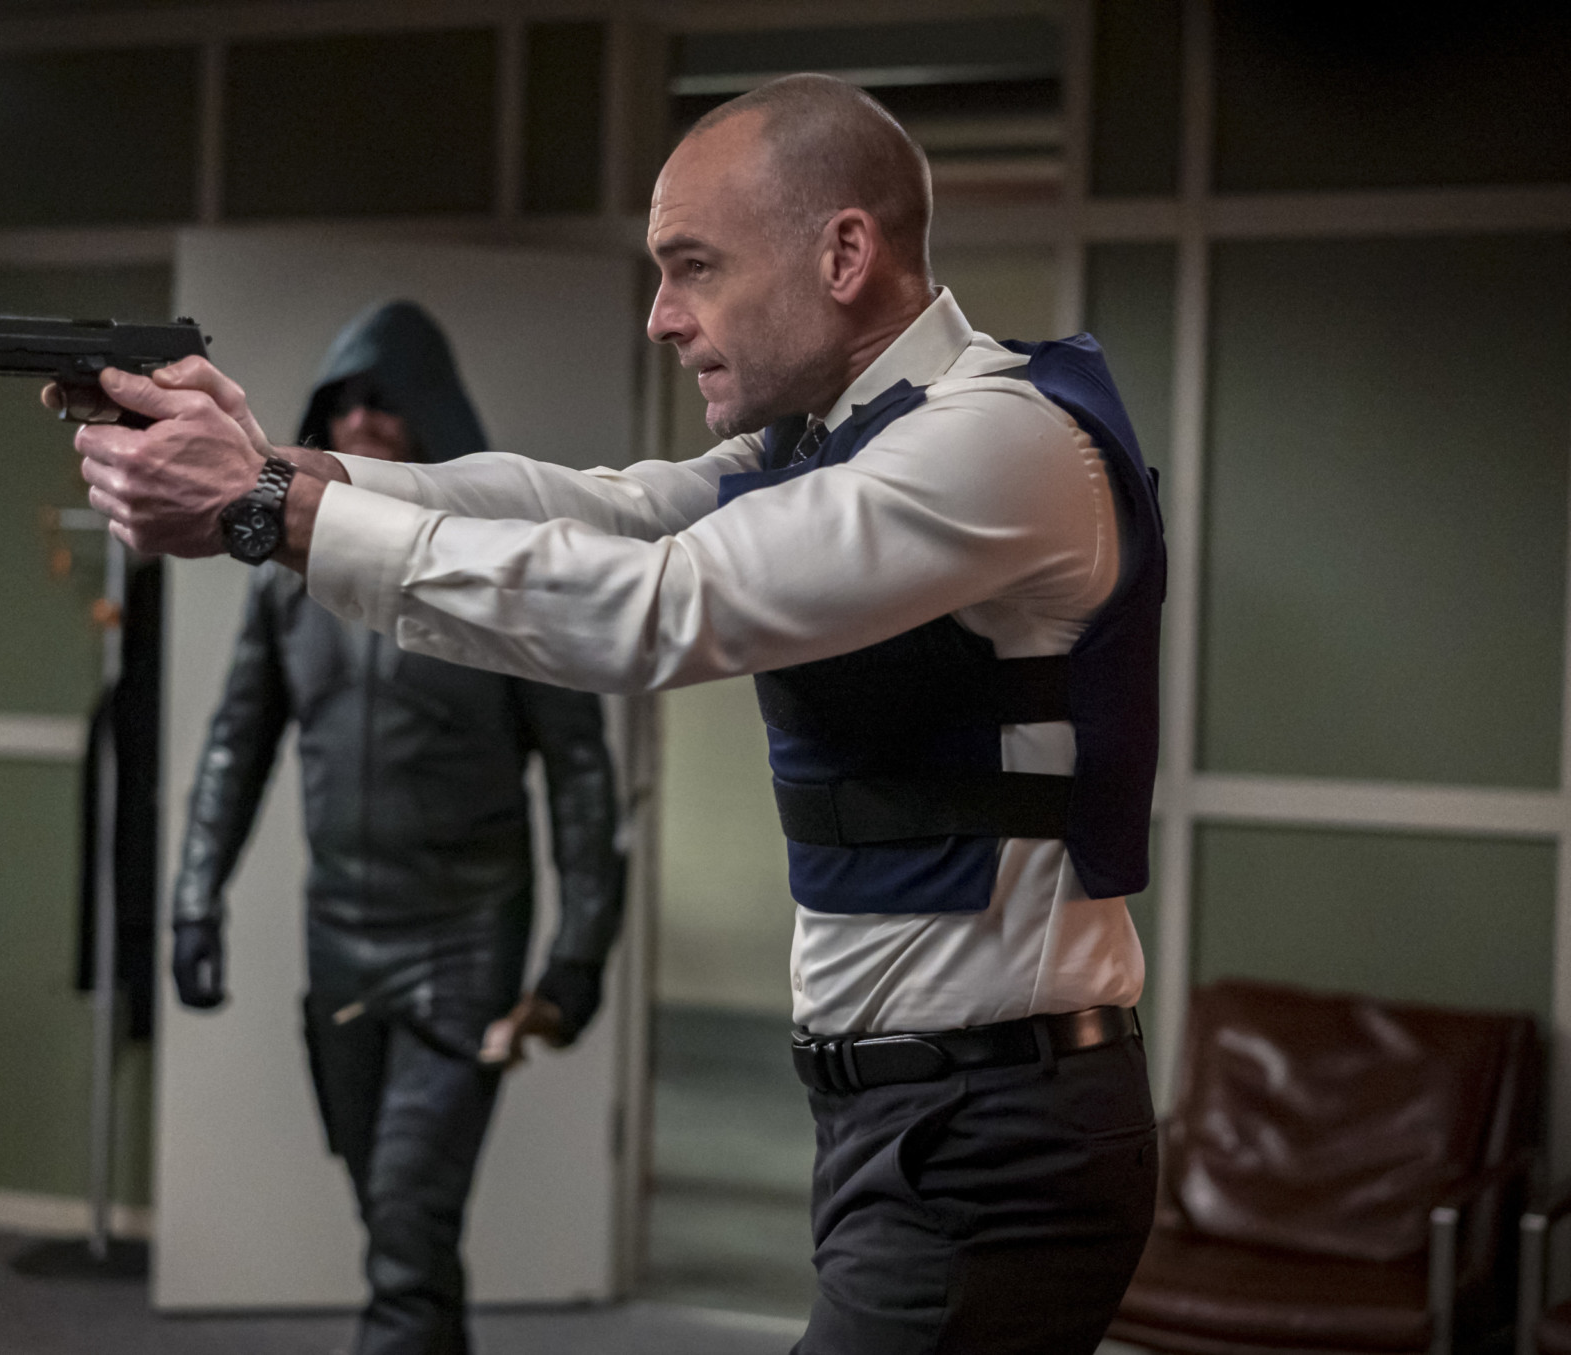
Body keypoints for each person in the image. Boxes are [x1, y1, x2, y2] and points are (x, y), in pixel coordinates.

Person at [76, 74, 1162, 1354]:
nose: (661, 317)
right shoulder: (823, 437)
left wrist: (271, 509)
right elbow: (600, 507)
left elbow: (660, 603)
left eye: (694, 266)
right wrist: (280, 467)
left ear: (844, 254)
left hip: (993, 1129)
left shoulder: (997, 440)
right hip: (910, 1115)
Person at [166, 300, 625, 1355]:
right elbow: (237, 742)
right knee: (394, 1216)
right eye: (344, 402)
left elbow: (580, 770)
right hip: (340, 938)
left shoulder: (505, 568)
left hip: (463, 942)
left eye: (387, 399)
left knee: (407, 1237)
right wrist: (194, 898)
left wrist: (578, 953)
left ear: (432, 416)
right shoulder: (288, 581)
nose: (363, 419)